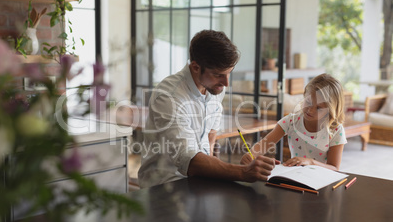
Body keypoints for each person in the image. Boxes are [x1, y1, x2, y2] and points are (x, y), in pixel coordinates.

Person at [138, 30, 278, 188]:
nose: (226, 83)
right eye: (218, 74)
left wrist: (213, 169)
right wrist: (243, 172)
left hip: (199, 182)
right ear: (196, 67)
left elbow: (211, 136)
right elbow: (188, 159)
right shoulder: (169, 96)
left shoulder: (215, 88)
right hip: (164, 186)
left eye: (229, 73)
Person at [240, 73, 347, 171]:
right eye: (308, 102)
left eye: (319, 108)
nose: (310, 110)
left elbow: (334, 168)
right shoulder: (291, 121)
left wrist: (310, 162)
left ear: (331, 110)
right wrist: (251, 155)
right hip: (295, 177)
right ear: (304, 96)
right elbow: (265, 143)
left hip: (320, 183)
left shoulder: (336, 130)